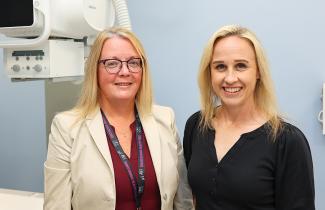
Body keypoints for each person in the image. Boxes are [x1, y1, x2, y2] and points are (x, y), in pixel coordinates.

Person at [44, 27, 194, 210]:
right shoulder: (67, 128)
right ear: (94, 70)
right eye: (112, 63)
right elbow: (56, 206)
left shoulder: (165, 119)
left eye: (133, 62)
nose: (124, 71)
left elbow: (183, 201)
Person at [183, 25, 315, 210]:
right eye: (220, 66)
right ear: (209, 73)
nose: (230, 78)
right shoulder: (197, 125)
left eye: (241, 66)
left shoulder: (286, 141)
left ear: (258, 71)